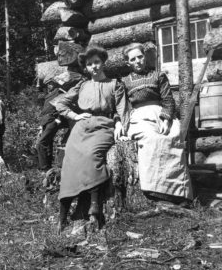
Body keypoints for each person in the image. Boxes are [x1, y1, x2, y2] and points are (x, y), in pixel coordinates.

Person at [54, 45, 127, 232]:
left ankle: (94, 208)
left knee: (91, 155)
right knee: (70, 159)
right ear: (85, 67)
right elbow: (61, 102)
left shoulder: (115, 84)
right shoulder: (82, 85)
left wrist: (119, 123)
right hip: (82, 126)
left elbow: (122, 109)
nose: (93, 66)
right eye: (89, 64)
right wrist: (74, 115)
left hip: (104, 125)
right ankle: (63, 215)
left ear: (103, 63)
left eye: (96, 62)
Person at [121, 42, 193, 204]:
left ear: (145, 57)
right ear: (128, 63)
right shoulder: (124, 82)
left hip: (159, 113)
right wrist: (120, 122)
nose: (138, 61)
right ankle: (155, 189)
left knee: (174, 136)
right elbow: (122, 105)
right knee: (151, 139)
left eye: (140, 57)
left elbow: (168, 99)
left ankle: (179, 192)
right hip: (138, 116)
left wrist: (166, 119)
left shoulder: (158, 75)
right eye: (133, 59)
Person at [37, 66, 85, 171]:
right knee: (47, 144)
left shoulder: (60, 91)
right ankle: (47, 168)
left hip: (53, 120)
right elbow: (45, 111)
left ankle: (44, 168)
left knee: (41, 143)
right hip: (46, 121)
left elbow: (62, 106)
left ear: (54, 82)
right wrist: (41, 126)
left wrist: (58, 119)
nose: (49, 86)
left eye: (50, 83)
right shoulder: (48, 95)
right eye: (47, 84)